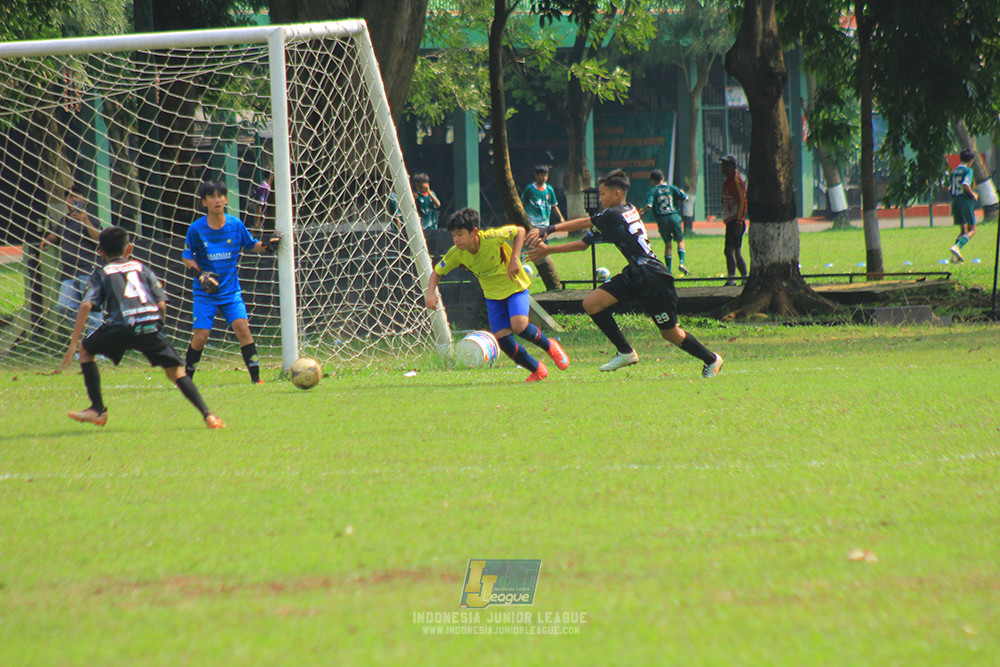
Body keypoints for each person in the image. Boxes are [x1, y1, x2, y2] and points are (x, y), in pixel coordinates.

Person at [528, 169, 723, 378]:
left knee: (670, 333)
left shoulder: (612, 214)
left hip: (653, 278)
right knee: (592, 304)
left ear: (617, 194)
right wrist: (549, 249)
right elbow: (584, 243)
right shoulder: (628, 209)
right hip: (636, 273)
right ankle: (625, 352)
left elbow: (586, 222)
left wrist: (549, 229)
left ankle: (711, 359)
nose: (600, 199)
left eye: (603, 194)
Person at [61, 226, 224, 429]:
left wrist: (74, 343)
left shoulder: (102, 273)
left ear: (100, 252)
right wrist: (158, 327)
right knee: (175, 372)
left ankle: (97, 410)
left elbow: (86, 305)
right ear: (129, 249)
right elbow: (162, 304)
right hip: (149, 324)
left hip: (120, 325)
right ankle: (209, 416)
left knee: (86, 350)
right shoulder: (142, 268)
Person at [424, 207, 570, 382]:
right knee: (504, 342)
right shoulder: (457, 254)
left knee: (519, 325)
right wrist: (430, 294)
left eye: (460, 234)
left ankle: (550, 345)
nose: (456, 239)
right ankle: (537, 370)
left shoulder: (492, 237)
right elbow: (437, 272)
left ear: (474, 232)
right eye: (453, 235)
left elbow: (520, 231)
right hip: (493, 297)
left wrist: (515, 259)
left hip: (515, 287)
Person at [182, 180, 282, 385]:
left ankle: (256, 379)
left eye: (220, 196)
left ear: (226, 199)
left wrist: (267, 245)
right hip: (205, 293)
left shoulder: (235, 225)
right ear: (204, 202)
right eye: (212, 197)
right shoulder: (196, 229)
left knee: (242, 328)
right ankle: (186, 379)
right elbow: (187, 257)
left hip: (230, 291)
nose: (217, 200)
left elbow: (251, 244)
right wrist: (200, 275)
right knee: (201, 337)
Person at [40, 186, 102, 334]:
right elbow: (56, 235)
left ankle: (96, 343)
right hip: (68, 273)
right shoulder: (65, 220)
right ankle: (85, 333)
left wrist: (85, 220)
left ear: (84, 200)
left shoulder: (91, 219)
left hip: (87, 271)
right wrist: (47, 240)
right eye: (70, 197)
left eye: (77, 196)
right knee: (63, 307)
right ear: (65, 201)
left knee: (93, 308)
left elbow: (99, 240)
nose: (74, 199)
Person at [638, 169, 689, 276]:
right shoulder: (671, 188)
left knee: (668, 244)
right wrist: (684, 194)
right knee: (680, 240)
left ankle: (669, 270)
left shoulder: (653, 191)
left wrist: (642, 210)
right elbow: (685, 198)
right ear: (663, 178)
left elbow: (649, 205)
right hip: (674, 216)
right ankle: (681, 262)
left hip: (662, 219)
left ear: (653, 181)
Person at [720, 155, 748, 286]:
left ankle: (732, 279)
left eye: (725, 165)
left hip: (735, 221)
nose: (722, 167)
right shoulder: (728, 181)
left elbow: (742, 201)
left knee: (730, 250)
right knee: (735, 251)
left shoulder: (736, 181)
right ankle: (743, 277)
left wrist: (739, 221)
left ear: (732, 166)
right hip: (730, 221)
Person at [949, 148, 979, 263]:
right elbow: (965, 184)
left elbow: (949, 187)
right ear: (971, 160)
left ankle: (954, 257)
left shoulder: (954, 171)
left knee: (963, 230)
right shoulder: (968, 170)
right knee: (972, 229)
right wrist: (973, 194)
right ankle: (957, 247)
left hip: (955, 201)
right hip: (964, 201)